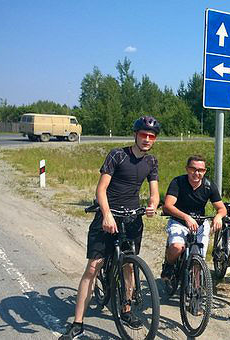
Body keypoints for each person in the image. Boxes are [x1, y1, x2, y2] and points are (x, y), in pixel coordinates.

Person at [60, 116, 161, 340]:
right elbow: (101, 189)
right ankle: (78, 324)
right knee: (93, 268)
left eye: (151, 136)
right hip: (108, 216)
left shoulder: (151, 162)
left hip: (132, 218)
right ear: (135, 134)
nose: (146, 139)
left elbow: (154, 191)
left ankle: (125, 309)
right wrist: (106, 214)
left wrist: (152, 205)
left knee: (129, 265)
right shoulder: (117, 155)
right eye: (143, 135)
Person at [161, 155, 226, 280]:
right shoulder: (178, 182)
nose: (197, 173)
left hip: (200, 223)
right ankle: (169, 266)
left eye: (200, 170)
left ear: (205, 171)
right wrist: (186, 217)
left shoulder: (209, 186)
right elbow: (168, 206)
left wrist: (218, 216)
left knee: (198, 258)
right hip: (179, 221)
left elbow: (222, 208)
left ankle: (195, 292)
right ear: (187, 169)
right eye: (193, 169)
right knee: (177, 247)